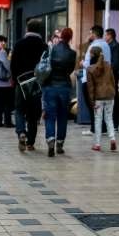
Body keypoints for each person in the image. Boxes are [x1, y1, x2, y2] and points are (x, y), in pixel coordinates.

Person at [10, 19, 47, 152]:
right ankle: (30, 143)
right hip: (37, 83)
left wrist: (13, 79)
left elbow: (13, 63)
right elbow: (46, 66)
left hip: (21, 81)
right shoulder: (43, 46)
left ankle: (21, 132)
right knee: (33, 114)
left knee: (19, 109)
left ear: (27, 29)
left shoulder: (19, 44)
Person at [42, 28, 76, 157]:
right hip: (64, 87)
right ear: (71, 38)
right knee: (62, 116)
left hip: (50, 86)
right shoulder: (72, 53)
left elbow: (46, 66)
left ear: (61, 36)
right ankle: (60, 143)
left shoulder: (53, 49)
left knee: (50, 116)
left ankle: (50, 139)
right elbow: (70, 70)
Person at [79, 25, 112, 135]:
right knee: (100, 106)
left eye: (90, 33)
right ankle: (101, 128)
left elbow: (89, 65)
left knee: (92, 105)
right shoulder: (106, 45)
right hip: (102, 80)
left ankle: (95, 129)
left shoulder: (94, 46)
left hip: (90, 80)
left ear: (94, 33)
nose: (89, 35)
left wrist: (82, 63)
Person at [86, 46, 117, 151]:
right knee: (109, 118)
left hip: (98, 97)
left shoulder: (90, 69)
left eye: (90, 54)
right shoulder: (108, 65)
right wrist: (113, 93)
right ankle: (112, 139)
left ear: (93, 55)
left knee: (98, 120)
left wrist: (92, 101)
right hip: (110, 95)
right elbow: (113, 81)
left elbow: (90, 88)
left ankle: (97, 144)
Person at [105, 28, 119, 129]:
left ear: (110, 36)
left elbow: (115, 63)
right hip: (113, 75)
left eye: (106, 35)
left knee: (114, 98)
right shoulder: (112, 45)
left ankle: (115, 124)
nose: (105, 37)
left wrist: (109, 72)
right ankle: (113, 123)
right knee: (113, 98)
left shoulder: (114, 46)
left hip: (114, 75)